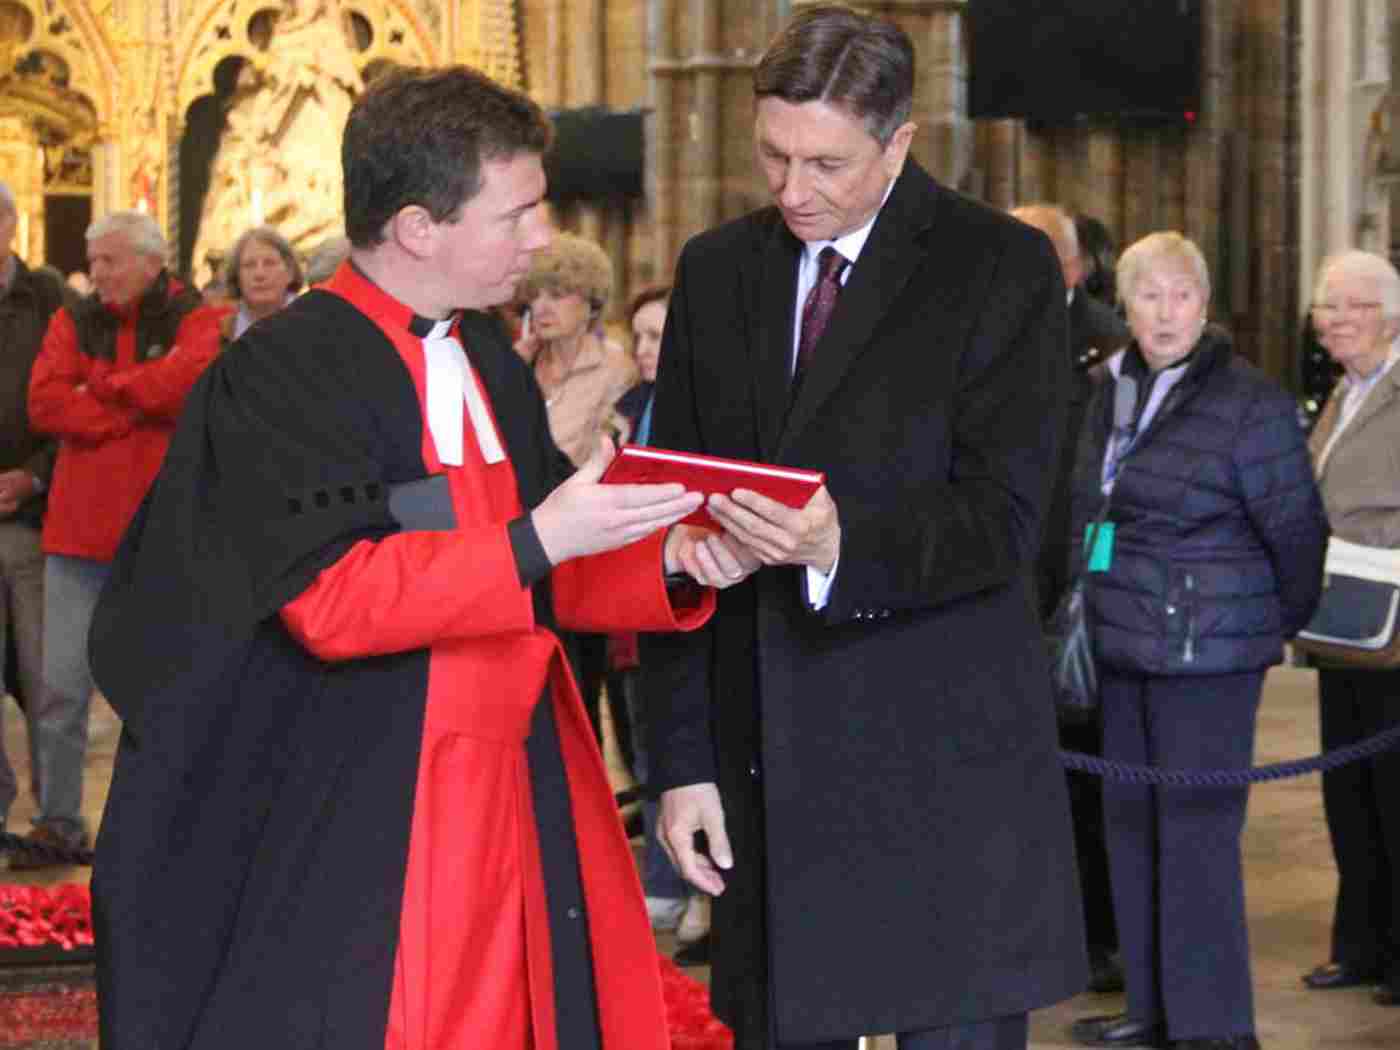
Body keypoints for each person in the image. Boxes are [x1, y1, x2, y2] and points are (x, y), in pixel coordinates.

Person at [87, 65, 751, 1050]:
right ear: (417, 227)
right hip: (366, 799)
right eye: (517, 213)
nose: (541, 237)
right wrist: (544, 534)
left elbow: (548, 566)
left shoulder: (486, 358)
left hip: (512, 785)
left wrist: (683, 559)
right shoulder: (283, 371)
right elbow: (332, 599)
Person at [643, 8, 1087, 1048]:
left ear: (899, 141)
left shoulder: (998, 267)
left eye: (825, 163)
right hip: (761, 774)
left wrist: (839, 543)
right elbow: (666, 517)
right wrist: (681, 761)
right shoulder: (716, 271)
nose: (792, 190)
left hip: (942, 774)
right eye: (772, 155)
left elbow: (1011, 520)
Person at [1068, 232, 1328, 1050]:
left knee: (1196, 840)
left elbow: (1298, 532)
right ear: (1127, 307)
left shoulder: (1247, 401)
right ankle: (1151, 1011)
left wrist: (1264, 624)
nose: (1166, 311)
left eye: (1182, 295)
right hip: (1124, 643)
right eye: (1149, 295)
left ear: (1205, 306)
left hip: (1209, 656)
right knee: (1132, 828)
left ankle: (1213, 1029)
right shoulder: (1108, 391)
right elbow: (1088, 508)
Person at [15, 211, 223, 865]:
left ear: (151, 262)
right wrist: (136, 402)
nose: (96, 273)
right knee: (59, 688)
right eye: (94, 261)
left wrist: (99, 387)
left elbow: (186, 383)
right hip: (76, 531)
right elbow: (45, 403)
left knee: (160, 685)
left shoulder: (195, 313)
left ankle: (161, 822)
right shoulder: (73, 317)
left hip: (161, 533)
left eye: (109, 261)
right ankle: (59, 820)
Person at [1012, 202, 1129, 996]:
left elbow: (1111, 489)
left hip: (1075, 586)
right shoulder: (977, 327)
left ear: (1072, 266)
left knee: (1088, 786)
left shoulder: (1108, 345)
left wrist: (1094, 575)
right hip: (1001, 586)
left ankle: (1100, 941)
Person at [1298, 250, 1400, 1005]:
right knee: (1349, 789)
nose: (1328, 320)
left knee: (1394, 795)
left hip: (1394, 624)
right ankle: (1360, 944)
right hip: (1342, 622)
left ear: (1388, 314)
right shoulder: (1346, 389)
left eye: (1345, 306)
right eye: (1324, 307)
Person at [0, 182, 62, 844]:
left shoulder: (47, 298)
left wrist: (35, 476)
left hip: (33, 518)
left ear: (11, 226)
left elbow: (75, 390)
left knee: (45, 677)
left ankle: (53, 815)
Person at [515, 232, 638, 466]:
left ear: (593, 304)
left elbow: (604, 460)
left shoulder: (616, 370)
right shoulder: (521, 361)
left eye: (557, 295)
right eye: (535, 295)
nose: (541, 307)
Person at [219, 225, 304, 344]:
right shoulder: (220, 333)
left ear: (290, 272)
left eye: (269, 263)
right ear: (237, 277)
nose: (259, 274)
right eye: (249, 265)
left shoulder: (315, 323)